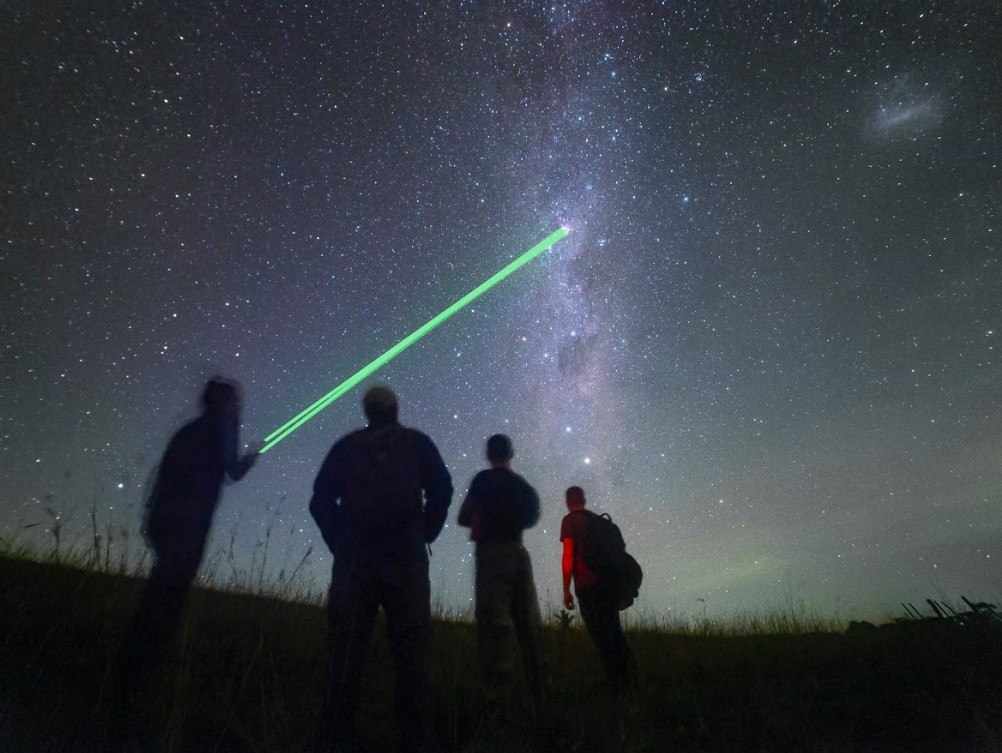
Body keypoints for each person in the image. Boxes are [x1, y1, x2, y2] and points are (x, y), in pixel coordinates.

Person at [310, 385, 453, 753]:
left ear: (367, 411)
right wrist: (426, 531)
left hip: (355, 562)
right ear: (395, 409)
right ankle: (414, 740)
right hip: (406, 561)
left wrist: (340, 541)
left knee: (344, 656)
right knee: (412, 656)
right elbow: (442, 487)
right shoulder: (416, 443)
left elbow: (320, 500)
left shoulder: (346, 447)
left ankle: (334, 740)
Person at [113, 377, 260, 709]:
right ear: (226, 402)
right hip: (190, 521)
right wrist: (251, 458)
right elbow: (232, 470)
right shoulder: (223, 424)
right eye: (235, 401)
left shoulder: (187, 431)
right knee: (171, 592)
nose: (239, 406)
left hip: (164, 516)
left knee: (160, 585)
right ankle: (139, 673)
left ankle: (132, 663)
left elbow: (165, 475)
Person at [457, 434, 542, 701]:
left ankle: (499, 691)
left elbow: (463, 516)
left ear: (488, 454)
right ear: (511, 453)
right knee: (526, 619)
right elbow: (532, 516)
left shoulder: (482, 481)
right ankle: (536, 685)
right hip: (518, 552)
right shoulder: (521, 485)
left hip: (491, 552)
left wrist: (482, 520)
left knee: (494, 618)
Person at [560, 485, 633, 691]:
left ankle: (616, 683)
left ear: (568, 501)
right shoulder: (598, 520)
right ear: (583, 499)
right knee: (613, 630)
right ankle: (628, 680)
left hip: (588, 585)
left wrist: (566, 589)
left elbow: (568, 556)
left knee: (600, 635)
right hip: (608, 583)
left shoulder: (570, 520)